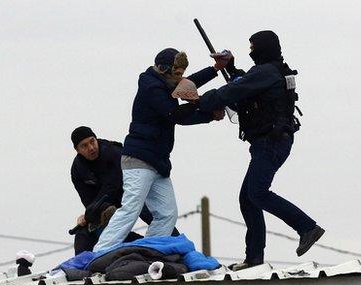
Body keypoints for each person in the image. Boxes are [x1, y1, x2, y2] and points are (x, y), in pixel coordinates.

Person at [195, 31, 325, 270]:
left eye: (253, 47)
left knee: (257, 193)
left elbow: (233, 91)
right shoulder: (272, 70)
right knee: (248, 198)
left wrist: (199, 100)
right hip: (270, 141)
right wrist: (232, 67)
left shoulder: (266, 72)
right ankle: (254, 258)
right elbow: (244, 84)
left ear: (264, 48)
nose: (250, 52)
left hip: (271, 141)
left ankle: (306, 227)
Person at [93, 49, 223, 252]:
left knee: (167, 213)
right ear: (164, 70)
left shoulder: (164, 83)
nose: (181, 78)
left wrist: (215, 69)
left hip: (157, 162)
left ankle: (148, 251)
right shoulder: (152, 88)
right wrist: (207, 104)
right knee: (130, 210)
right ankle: (99, 253)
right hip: (139, 159)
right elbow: (175, 114)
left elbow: (187, 86)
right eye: (178, 73)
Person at [69, 126, 177, 253]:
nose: (91, 148)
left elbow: (112, 186)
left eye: (92, 141)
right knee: (84, 231)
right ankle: (84, 265)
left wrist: (92, 210)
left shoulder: (112, 152)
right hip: (107, 203)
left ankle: (177, 245)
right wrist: (90, 215)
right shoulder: (78, 170)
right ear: (77, 150)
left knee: (151, 214)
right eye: (84, 146)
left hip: (131, 192)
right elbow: (88, 200)